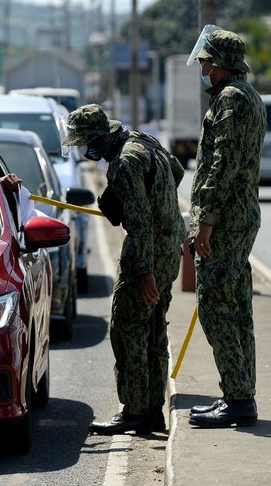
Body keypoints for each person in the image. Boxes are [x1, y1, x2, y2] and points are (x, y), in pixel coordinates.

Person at [62, 103, 185, 435]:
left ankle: (134, 411)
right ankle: (152, 410)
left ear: (99, 139)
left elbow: (140, 222)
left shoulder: (124, 164)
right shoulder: (144, 141)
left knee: (127, 330)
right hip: (170, 248)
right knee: (155, 330)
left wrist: (143, 272)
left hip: (148, 255)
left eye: (86, 143)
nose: (85, 151)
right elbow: (177, 172)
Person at [185, 28, 267, 428]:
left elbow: (224, 164)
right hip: (238, 216)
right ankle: (240, 395)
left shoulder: (232, 99)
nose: (202, 68)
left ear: (218, 64)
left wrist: (206, 222)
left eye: (205, 62)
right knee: (236, 310)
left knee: (216, 309)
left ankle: (237, 397)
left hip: (226, 220)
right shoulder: (247, 95)